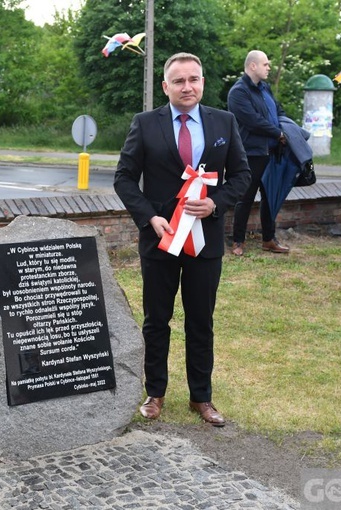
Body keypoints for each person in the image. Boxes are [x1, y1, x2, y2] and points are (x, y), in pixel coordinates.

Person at [114, 53, 251, 427]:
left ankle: (201, 397)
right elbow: (124, 178)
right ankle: (155, 392)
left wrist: (216, 202)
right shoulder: (145, 124)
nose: (187, 86)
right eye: (179, 81)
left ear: (203, 82)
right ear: (165, 86)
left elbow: (241, 174)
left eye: (194, 79)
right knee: (156, 320)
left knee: (201, 321)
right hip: (161, 240)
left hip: (204, 243)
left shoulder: (224, 121)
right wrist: (150, 218)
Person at [228, 50, 289, 256]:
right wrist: (278, 132)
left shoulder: (265, 88)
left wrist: (286, 128)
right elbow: (252, 120)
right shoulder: (238, 92)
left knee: (269, 195)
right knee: (245, 197)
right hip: (250, 153)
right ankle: (238, 241)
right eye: (265, 64)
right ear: (252, 66)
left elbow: (277, 111)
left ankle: (268, 239)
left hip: (271, 151)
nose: (269, 68)